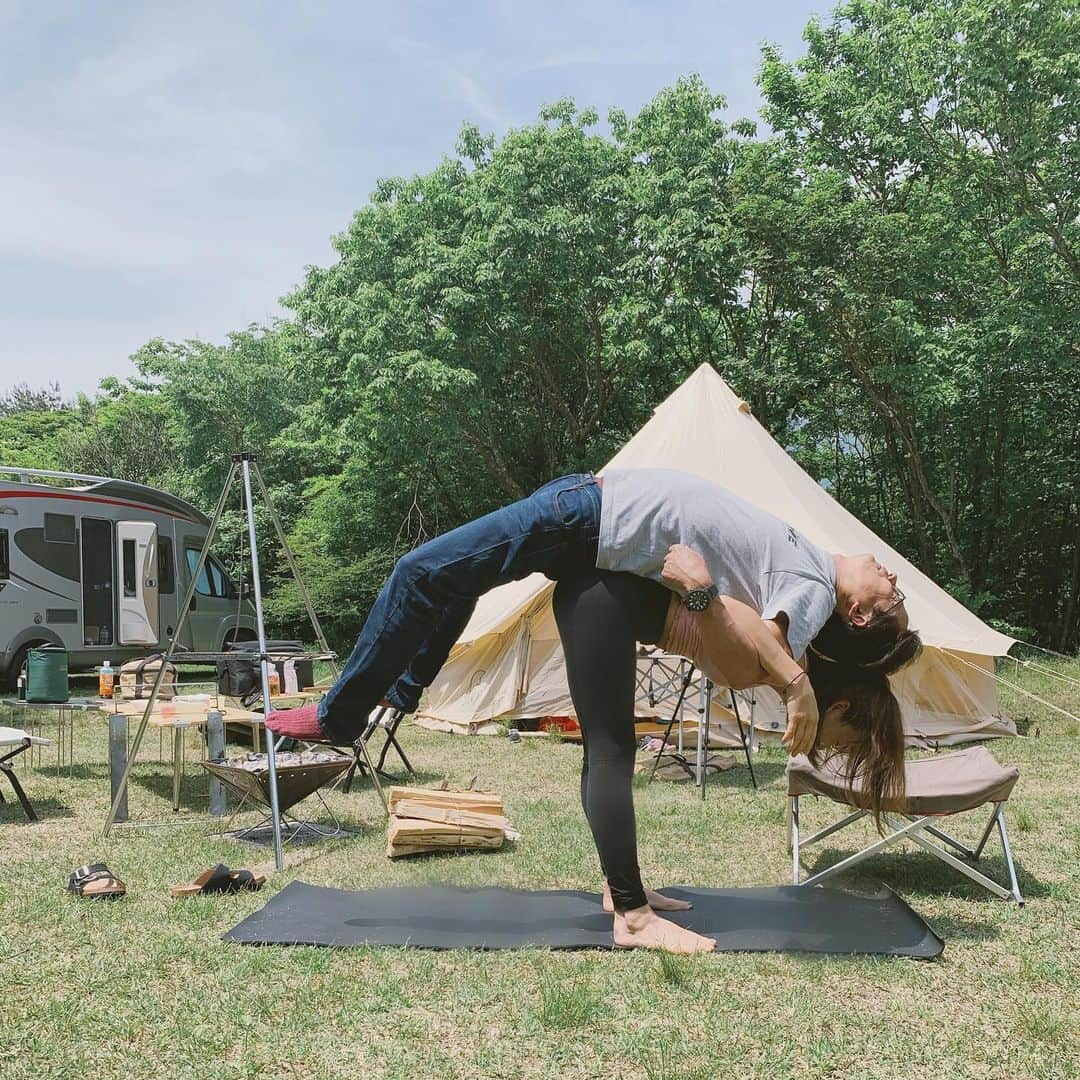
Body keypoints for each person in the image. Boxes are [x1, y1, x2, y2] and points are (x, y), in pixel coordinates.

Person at [267, 469, 922, 950]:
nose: (891, 575)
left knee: (420, 573)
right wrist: (793, 681)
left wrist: (783, 674)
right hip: (588, 525)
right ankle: (401, 691)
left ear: (857, 613)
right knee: (452, 582)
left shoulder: (804, 597)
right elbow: (758, 641)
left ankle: (340, 716)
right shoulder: (801, 575)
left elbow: (758, 643)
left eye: (890, 595)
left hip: (586, 522)